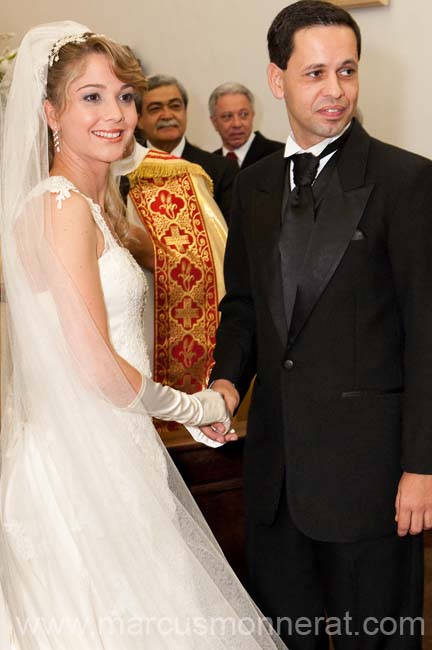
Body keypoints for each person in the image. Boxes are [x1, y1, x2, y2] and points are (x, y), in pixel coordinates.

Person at [0, 21, 287, 650]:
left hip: (112, 446)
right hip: (83, 467)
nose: (118, 114)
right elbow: (97, 366)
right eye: (91, 97)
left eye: (125, 96)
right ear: (50, 112)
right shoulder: (61, 208)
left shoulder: (92, 203)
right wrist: (194, 407)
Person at [204, 1, 432, 648]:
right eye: (315, 74)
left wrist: (423, 466)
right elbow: (244, 307)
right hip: (276, 480)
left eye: (348, 70)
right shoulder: (251, 190)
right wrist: (225, 382)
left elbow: (427, 333)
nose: (336, 90)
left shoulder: (407, 181)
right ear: (277, 79)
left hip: (374, 482)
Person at [113, 137, 228, 438]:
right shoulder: (51, 186)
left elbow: (206, 269)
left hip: (150, 342)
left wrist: (146, 250)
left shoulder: (172, 176)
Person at [136, 74, 237, 220]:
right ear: (139, 120)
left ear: (185, 112)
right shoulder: (124, 173)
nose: (167, 115)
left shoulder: (221, 170)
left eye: (175, 106)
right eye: (155, 109)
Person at [209, 82, 283, 168]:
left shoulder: (279, 155)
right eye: (227, 116)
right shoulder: (208, 165)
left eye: (243, 114)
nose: (237, 124)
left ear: (252, 115)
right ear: (214, 122)